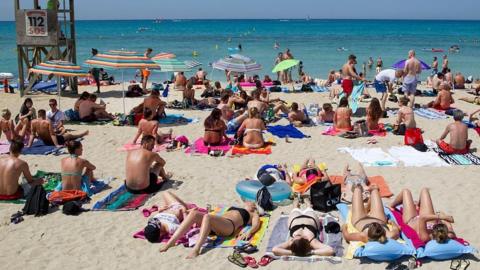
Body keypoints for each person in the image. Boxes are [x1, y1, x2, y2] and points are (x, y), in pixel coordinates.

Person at [161, 201, 260, 259]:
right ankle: (171, 242)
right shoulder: (236, 207)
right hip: (215, 225)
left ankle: (196, 249)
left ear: (254, 207)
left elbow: (256, 224)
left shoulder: (253, 214)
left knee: (207, 217)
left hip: (228, 226)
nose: (250, 202)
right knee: (194, 213)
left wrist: (250, 231)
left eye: (252, 203)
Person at [389, 188, 456, 243]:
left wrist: (442, 217)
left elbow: (422, 218)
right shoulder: (448, 235)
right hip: (430, 220)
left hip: (411, 219)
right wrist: (446, 221)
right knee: (425, 190)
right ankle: (418, 204)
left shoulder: (426, 237)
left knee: (406, 191)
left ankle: (392, 205)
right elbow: (450, 228)